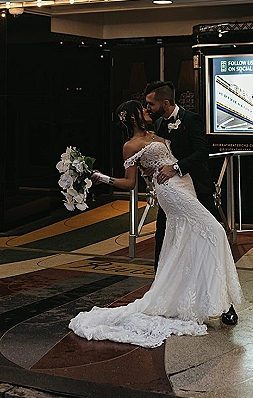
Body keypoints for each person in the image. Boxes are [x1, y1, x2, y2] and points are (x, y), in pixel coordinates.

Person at [69, 101, 244, 347]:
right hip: (170, 191)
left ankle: (208, 302)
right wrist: (102, 178)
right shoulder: (130, 146)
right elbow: (130, 183)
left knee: (191, 242)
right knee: (214, 231)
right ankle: (221, 302)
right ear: (132, 118)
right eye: (141, 110)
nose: (146, 111)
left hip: (185, 183)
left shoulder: (157, 132)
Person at [143, 81, 216, 268]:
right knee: (164, 233)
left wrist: (176, 167)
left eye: (151, 104)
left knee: (202, 234)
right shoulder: (158, 124)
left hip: (197, 187)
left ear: (165, 103)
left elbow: (202, 152)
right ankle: (161, 280)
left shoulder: (192, 120)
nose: (147, 108)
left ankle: (205, 276)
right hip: (171, 191)